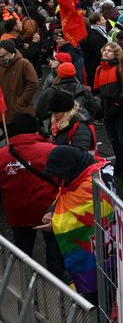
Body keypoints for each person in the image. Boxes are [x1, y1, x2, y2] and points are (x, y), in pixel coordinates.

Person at [41, 145, 111, 304]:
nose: (60, 180)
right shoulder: (80, 174)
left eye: (61, 175)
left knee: (101, 294)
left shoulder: (92, 183)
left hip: (98, 252)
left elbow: (84, 213)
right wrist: (54, 211)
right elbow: (65, 194)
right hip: (98, 249)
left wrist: (56, 222)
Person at [0, 114, 63, 276]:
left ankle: (25, 286)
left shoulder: (2, 155)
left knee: (22, 251)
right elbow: (63, 179)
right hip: (48, 210)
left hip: (17, 212)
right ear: (35, 130)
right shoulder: (50, 150)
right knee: (54, 248)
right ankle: (58, 284)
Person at [0, 38, 39, 119]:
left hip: (20, 112)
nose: (2, 58)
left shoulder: (24, 64)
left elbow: (33, 84)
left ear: (11, 52)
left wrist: (20, 102)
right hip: (4, 112)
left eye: (3, 56)